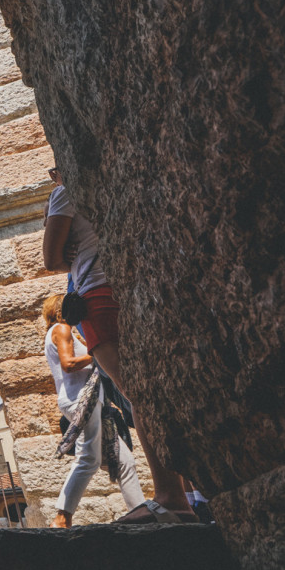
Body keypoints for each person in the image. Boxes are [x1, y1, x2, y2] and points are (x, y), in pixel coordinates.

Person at [43, 167, 195, 523]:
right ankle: (193, 491)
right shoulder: (120, 175)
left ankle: (172, 498)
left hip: (97, 296)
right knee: (159, 389)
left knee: (139, 394)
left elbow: (52, 260)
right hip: (137, 285)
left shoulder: (66, 193)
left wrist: (56, 222)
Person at [43, 294, 143, 527]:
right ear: (60, 310)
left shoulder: (58, 332)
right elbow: (68, 365)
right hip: (82, 400)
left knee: (124, 462)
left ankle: (139, 512)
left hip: (86, 400)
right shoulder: (62, 329)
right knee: (88, 457)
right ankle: (61, 517)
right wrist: (98, 352)